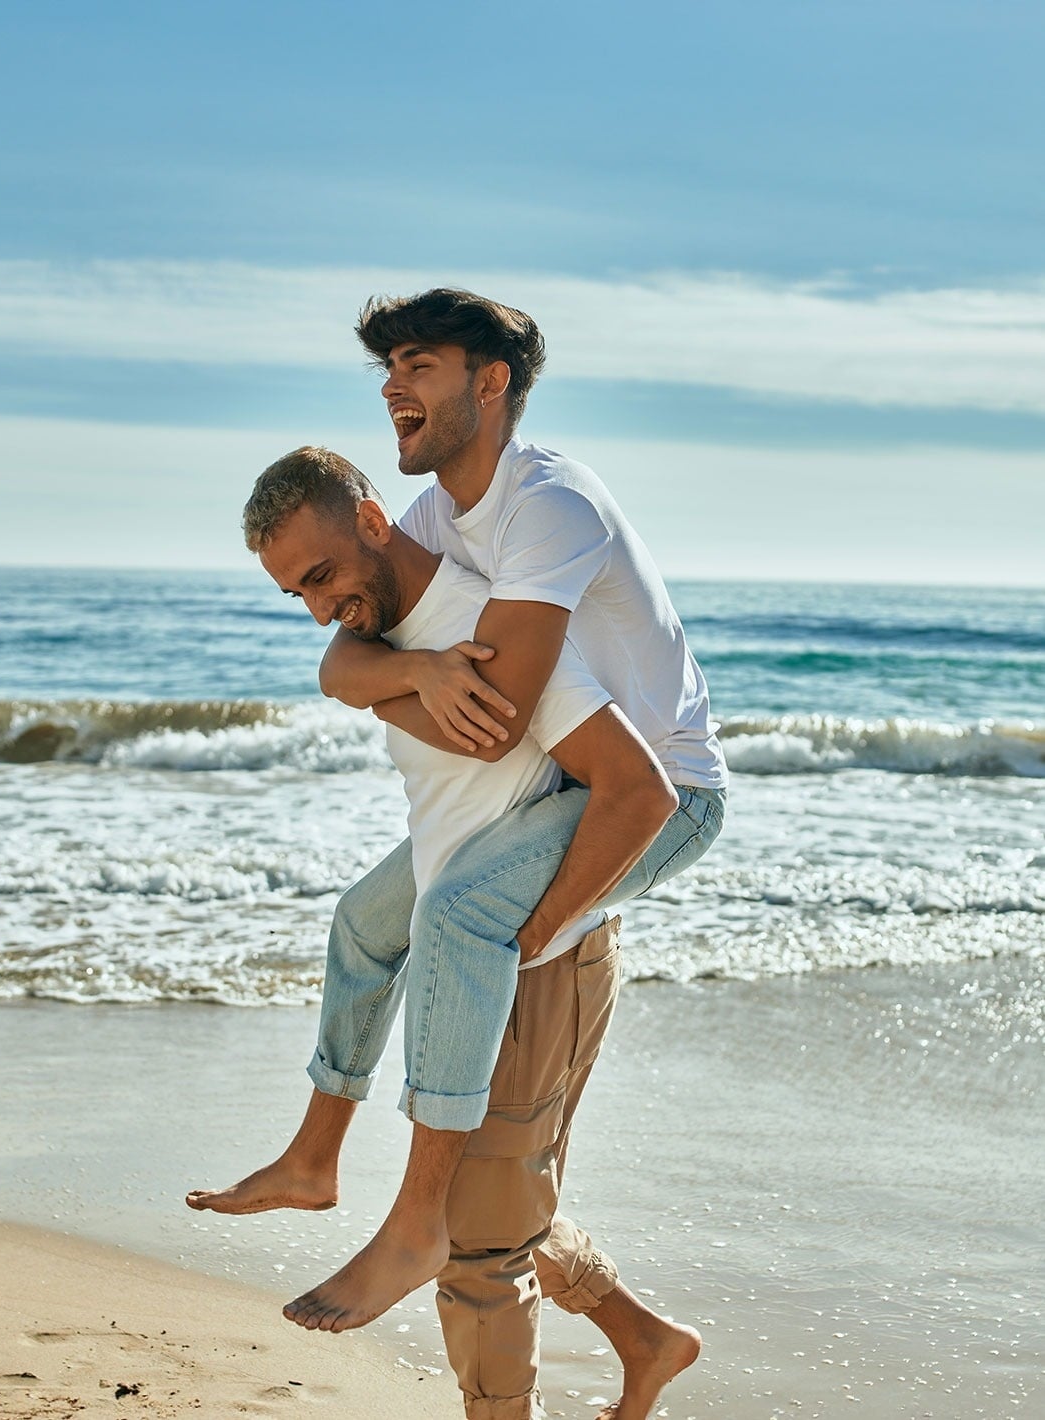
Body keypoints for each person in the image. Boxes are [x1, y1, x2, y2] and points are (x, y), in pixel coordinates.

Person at [188, 290, 726, 1416]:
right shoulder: (429, 527)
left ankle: (412, 1218)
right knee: (371, 922)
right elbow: (348, 661)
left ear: (492, 384)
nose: (395, 384)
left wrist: (531, 925)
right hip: (557, 796)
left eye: (420, 363)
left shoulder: (548, 509)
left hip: (656, 792)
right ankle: (324, 1152)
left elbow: (502, 705)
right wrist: (403, 674)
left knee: (456, 933)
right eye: (389, 364)